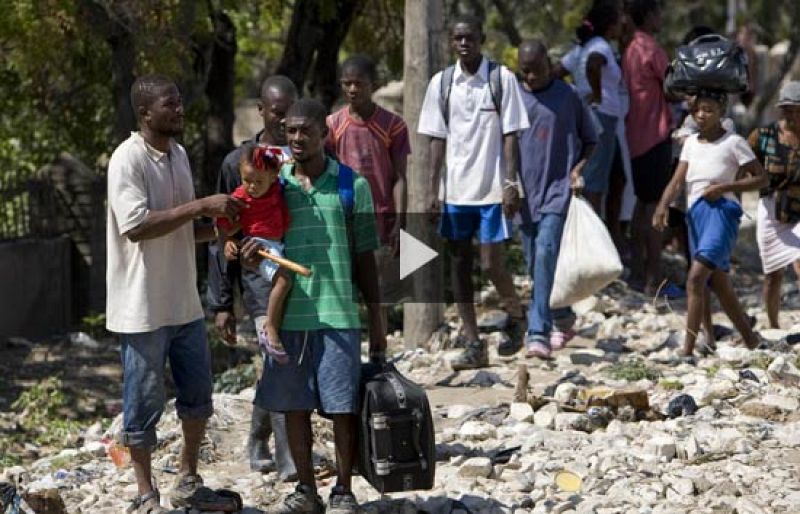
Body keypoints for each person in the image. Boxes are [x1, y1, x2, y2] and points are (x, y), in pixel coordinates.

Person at [240, 98, 386, 514]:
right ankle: (306, 489)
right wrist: (252, 255)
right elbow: (260, 242)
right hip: (289, 317)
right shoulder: (276, 183)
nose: (297, 138)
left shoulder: (351, 186)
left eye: (306, 130)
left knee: (342, 408)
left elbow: (365, 260)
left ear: (326, 133)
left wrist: (377, 322)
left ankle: (342, 489)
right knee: (294, 407)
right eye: (290, 131)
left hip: (338, 312)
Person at [106, 74, 244, 513]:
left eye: (181, 102)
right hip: (141, 308)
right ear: (145, 113)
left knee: (198, 400)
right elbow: (139, 227)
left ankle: (188, 479)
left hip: (184, 302)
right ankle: (146, 493)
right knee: (142, 406)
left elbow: (184, 229)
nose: (180, 110)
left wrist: (225, 229)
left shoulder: (179, 154)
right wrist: (202, 206)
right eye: (171, 105)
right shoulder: (127, 159)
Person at [418, 14, 530, 369]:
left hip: (492, 191)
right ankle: (472, 340)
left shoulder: (501, 79)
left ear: (482, 38)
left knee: (490, 261)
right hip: (456, 192)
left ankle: (515, 313)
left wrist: (511, 183)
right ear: (452, 41)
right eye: (457, 38)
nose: (464, 43)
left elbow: (511, 133)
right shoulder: (442, 83)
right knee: (460, 265)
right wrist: (433, 189)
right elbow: (436, 138)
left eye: (470, 37)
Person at [206, 75, 297, 478]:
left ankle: (257, 438)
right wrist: (222, 302)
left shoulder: (304, 154)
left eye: (291, 113)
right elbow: (222, 232)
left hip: (301, 275)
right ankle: (286, 455)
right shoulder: (238, 163)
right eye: (278, 114)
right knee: (277, 358)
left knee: (283, 360)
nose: (285, 121)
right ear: (261, 111)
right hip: (259, 279)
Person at [653, 90, 767, 360]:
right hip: (696, 215)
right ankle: (751, 340)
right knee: (718, 283)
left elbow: (760, 179)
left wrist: (726, 186)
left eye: (708, 110)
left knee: (695, 279)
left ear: (721, 112)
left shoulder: (734, 143)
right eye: (697, 111)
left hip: (722, 213)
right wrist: (662, 205)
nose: (702, 115)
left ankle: (688, 350)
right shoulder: (691, 143)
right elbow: (678, 180)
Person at [516, 40, 598, 360]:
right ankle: (563, 317)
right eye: (525, 72)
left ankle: (537, 333)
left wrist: (578, 169)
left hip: (557, 190)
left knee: (546, 251)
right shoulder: (515, 98)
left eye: (536, 70)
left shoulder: (569, 97)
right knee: (535, 263)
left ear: (549, 65)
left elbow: (591, 140)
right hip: (524, 194)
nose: (531, 77)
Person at [326, 54, 411, 308]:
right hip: (346, 219)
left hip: (381, 218)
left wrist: (400, 221)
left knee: (380, 295)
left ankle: (379, 346)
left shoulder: (393, 125)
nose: (353, 89)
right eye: (347, 83)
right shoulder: (333, 125)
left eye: (359, 83)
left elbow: (399, 177)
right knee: (345, 291)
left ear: (373, 83)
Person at [216, 143, 292, 360]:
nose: (252, 186)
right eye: (246, 180)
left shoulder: (278, 188)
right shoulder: (240, 197)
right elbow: (223, 223)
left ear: (273, 175)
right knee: (283, 281)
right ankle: (270, 329)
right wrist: (229, 241)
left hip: (278, 244)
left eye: (258, 181)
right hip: (259, 246)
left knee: (283, 283)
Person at [557, 1, 626, 224]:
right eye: (618, 21)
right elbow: (594, 65)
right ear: (609, 25)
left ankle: (610, 233)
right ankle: (592, 235)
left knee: (617, 176)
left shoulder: (583, 48)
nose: (622, 25)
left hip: (601, 118)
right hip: (601, 117)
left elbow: (557, 71)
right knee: (594, 182)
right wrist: (596, 94)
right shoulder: (600, 47)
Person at [622, 0, 673, 295]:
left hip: (635, 136)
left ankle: (639, 273)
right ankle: (655, 277)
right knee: (657, 207)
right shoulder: (651, 49)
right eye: (658, 13)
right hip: (655, 135)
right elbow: (672, 86)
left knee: (642, 205)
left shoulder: (630, 49)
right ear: (650, 16)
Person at [748, 82, 800, 329]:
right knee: (773, 274)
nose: (794, 115)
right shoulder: (764, 136)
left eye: (798, 109)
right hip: (772, 209)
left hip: (799, 208)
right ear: (782, 110)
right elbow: (743, 163)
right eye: (789, 109)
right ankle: (773, 325)